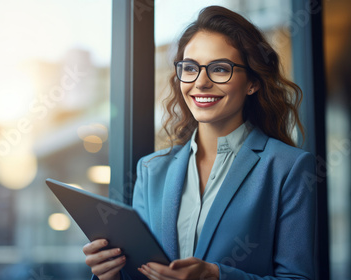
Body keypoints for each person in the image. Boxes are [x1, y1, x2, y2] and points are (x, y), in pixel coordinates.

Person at [83, 5, 316, 280]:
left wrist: (216, 277)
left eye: (219, 69)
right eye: (190, 68)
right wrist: (110, 274)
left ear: (252, 82)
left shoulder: (288, 168)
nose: (201, 83)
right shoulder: (152, 170)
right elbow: (141, 272)